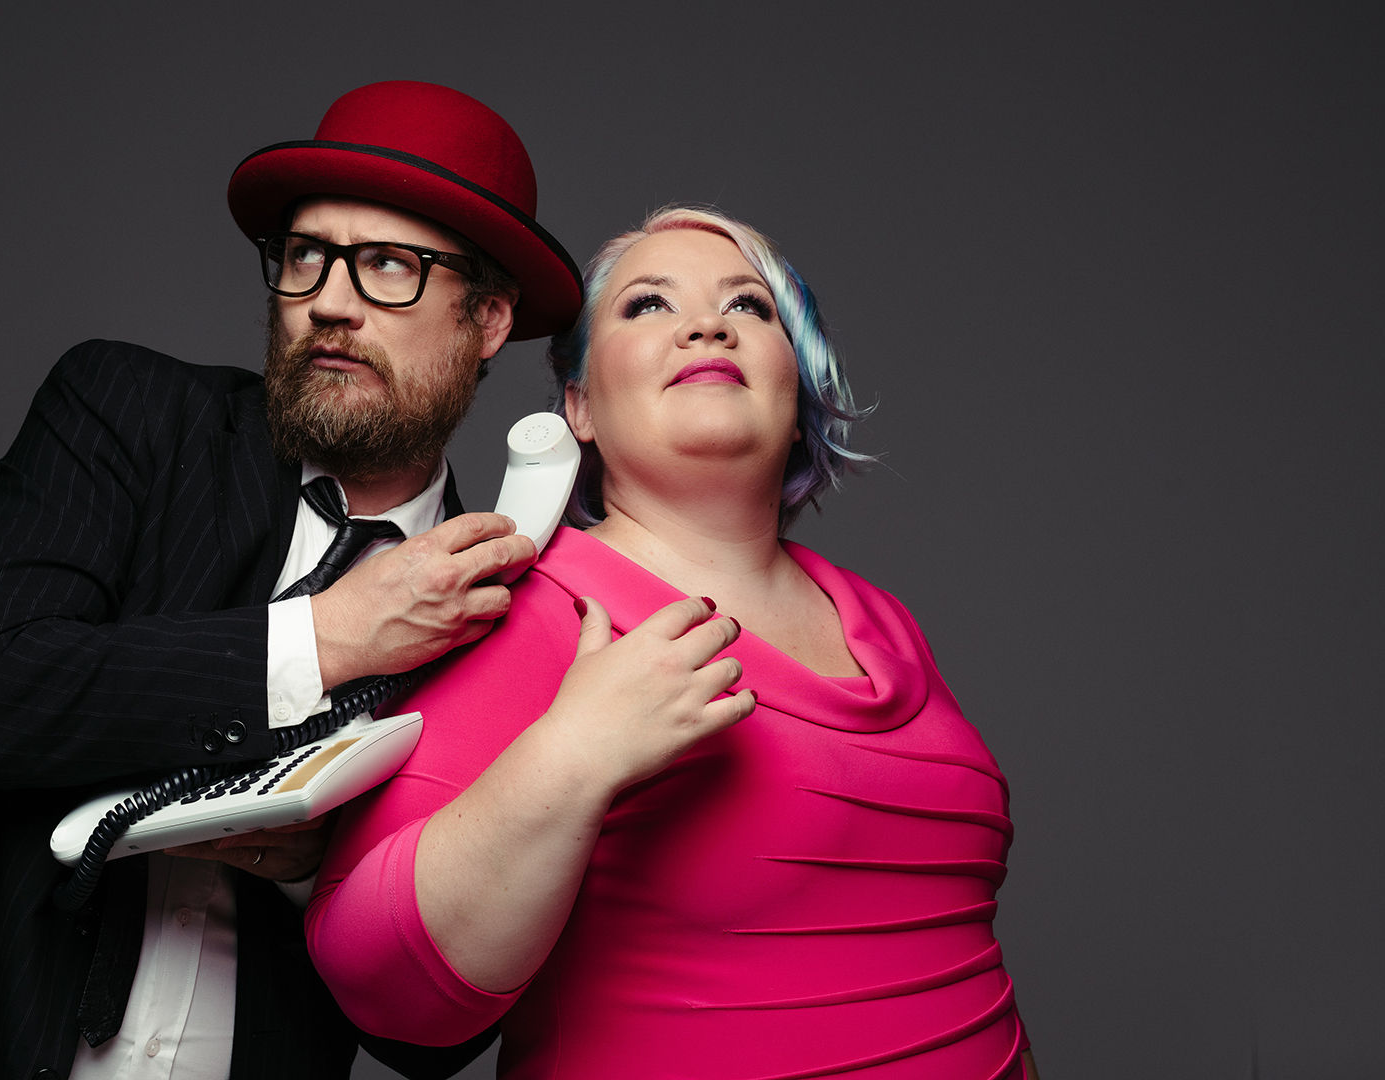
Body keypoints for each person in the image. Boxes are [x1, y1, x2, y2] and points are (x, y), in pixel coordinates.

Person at [0, 80, 582, 1080]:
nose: (329, 301)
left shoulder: (499, 613)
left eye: (389, 265)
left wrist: (322, 874)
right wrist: (329, 637)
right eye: (305, 255)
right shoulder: (130, 413)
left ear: (488, 319)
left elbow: (432, 1035)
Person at [307, 206, 1041, 1078]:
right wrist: (570, 758)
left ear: (798, 394)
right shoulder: (528, 606)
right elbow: (376, 982)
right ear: (578, 406)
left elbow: (961, 961)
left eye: (749, 306)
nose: (707, 326)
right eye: (649, 304)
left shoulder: (885, 621)